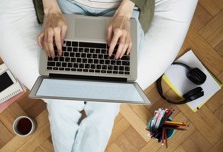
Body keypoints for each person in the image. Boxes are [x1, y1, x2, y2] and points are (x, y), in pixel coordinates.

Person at [33, 0, 155, 151]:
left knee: (105, 110)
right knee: (60, 105)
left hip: (122, 8)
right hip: (65, 6)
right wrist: (51, 9)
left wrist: (124, 13)